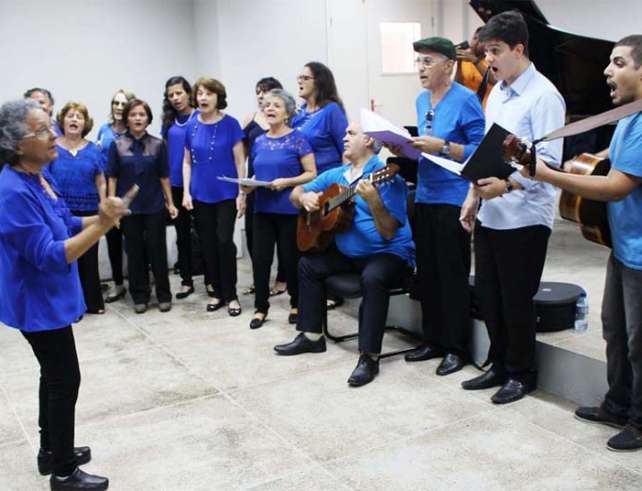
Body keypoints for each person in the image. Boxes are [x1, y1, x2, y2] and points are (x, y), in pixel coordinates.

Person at [0, 98, 131, 490]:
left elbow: (64, 221)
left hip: (48, 296)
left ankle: (51, 451)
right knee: (64, 379)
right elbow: (50, 255)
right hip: (35, 300)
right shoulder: (12, 191)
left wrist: (100, 216)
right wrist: (103, 226)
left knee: (54, 376)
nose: (53, 135)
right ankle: (63, 471)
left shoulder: (38, 175)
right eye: (42, 130)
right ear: (17, 143)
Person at [523, 35, 642, 451]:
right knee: (614, 330)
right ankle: (617, 403)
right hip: (623, 247)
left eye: (619, 63)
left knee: (639, 341)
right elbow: (615, 155)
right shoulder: (629, 115)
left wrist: (549, 175)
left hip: (640, 255)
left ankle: (640, 420)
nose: (607, 71)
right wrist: (592, 159)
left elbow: (616, 186)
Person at [459, 11, 566, 404]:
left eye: (496, 51)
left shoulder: (544, 96)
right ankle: (500, 364)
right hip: (491, 211)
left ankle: (522, 373)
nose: (489, 60)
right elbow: (488, 151)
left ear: (519, 49)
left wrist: (506, 185)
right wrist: (472, 196)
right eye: (486, 51)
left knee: (516, 299)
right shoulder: (498, 92)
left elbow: (549, 162)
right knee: (489, 295)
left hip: (525, 215)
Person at [273, 122, 415, 387]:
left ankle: (369, 357)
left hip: (389, 254)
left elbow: (388, 233)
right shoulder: (337, 174)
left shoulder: (387, 178)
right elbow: (295, 193)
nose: (344, 137)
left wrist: (374, 201)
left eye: (351, 133)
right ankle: (312, 337)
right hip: (350, 255)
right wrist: (304, 199)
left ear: (370, 141)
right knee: (308, 264)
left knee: (373, 277)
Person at [397, 37, 485, 375]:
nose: (420, 68)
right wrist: (404, 149)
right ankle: (432, 340)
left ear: (448, 65)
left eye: (427, 61)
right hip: (425, 195)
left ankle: (456, 347)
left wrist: (444, 146)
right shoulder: (421, 100)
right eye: (418, 62)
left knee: (452, 275)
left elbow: (480, 150)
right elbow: (424, 147)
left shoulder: (466, 100)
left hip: (453, 197)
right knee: (428, 274)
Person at [242, 89, 316, 329]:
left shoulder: (298, 139)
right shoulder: (259, 141)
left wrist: (287, 182)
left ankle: (296, 304)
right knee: (260, 260)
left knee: (290, 259)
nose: (270, 109)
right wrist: (248, 186)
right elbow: (256, 173)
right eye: (267, 105)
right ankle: (260, 307)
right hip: (262, 210)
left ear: (287, 113)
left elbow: (312, 173)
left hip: (289, 210)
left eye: (276, 105)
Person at [107, 99, 178, 314]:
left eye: (142, 114)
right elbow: (112, 177)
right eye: (133, 114)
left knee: (157, 250)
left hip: (153, 204)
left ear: (148, 119)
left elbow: (164, 176)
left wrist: (170, 203)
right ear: (127, 119)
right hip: (129, 208)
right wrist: (112, 207)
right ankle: (139, 295)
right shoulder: (117, 145)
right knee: (134, 252)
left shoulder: (158, 144)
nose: (138, 118)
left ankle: (163, 295)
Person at [182, 77, 246, 316]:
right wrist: (186, 192)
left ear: (218, 97)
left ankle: (231, 295)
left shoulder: (231, 124)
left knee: (224, 241)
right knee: (207, 244)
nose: (203, 98)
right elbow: (186, 162)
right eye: (200, 93)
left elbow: (240, 161)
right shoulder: (191, 126)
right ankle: (216, 292)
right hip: (200, 193)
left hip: (226, 192)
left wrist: (242, 192)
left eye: (209, 93)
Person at [291, 61, 349, 310]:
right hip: (305, 184)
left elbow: (345, 149)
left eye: (305, 77)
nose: (300, 81)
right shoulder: (300, 113)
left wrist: (345, 184)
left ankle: (332, 292)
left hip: (328, 182)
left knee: (325, 237)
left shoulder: (331, 111)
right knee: (308, 239)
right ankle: (312, 290)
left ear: (319, 81)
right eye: (299, 77)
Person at [48, 102, 106, 314]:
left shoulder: (94, 150)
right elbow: (45, 180)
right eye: (70, 115)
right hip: (61, 213)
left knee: (89, 259)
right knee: (66, 259)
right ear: (62, 121)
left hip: (90, 212)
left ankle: (92, 303)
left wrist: (104, 206)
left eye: (79, 117)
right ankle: (69, 306)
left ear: (85, 123)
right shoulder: (52, 148)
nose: (74, 119)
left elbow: (101, 180)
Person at [241, 76, 288, 297]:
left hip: (280, 184)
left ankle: (282, 278)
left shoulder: (286, 119)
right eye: (258, 91)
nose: (261, 96)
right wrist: (242, 188)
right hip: (255, 184)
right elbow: (241, 155)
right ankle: (259, 279)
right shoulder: (249, 119)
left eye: (266, 91)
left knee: (282, 236)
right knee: (253, 234)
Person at [161, 76, 200, 300]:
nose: (175, 98)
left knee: (204, 234)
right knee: (182, 235)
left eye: (179, 93)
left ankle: (212, 280)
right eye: (171, 95)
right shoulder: (169, 122)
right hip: (175, 184)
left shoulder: (200, 117)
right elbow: (165, 155)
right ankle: (186, 281)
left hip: (198, 184)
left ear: (188, 93)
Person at [97, 89, 136, 304]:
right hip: (108, 189)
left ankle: (140, 280)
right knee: (113, 239)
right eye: (116, 103)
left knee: (134, 239)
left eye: (123, 103)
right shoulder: (104, 130)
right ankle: (118, 283)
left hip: (129, 190)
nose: (119, 108)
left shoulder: (135, 130)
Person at [455, 27, 495, 108]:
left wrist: (475, 61)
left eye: (480, 41)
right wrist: (459, 63)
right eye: (475, 38)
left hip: (485, 109)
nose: (475, 43)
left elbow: (494, 81)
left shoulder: (491, 60)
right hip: (467, 108)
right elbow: (458, 85)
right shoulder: (464, 60)